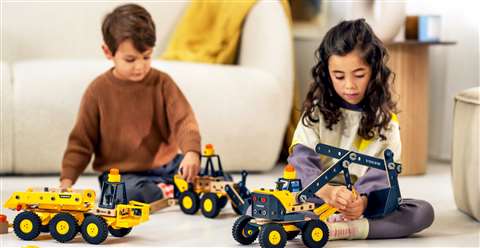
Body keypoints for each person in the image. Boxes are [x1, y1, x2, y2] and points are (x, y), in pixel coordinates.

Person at [288, 19, 434, 240]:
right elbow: (302, 160)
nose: (349, 85)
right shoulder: (316, 113)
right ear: (327, 74)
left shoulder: (386, 122)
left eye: (359, 75)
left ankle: (342, 229)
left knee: (422, 212)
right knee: (264, 207)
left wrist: (362, 202)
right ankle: (337, 226)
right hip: (315, 196)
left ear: (374, 72)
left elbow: (383, 174)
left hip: (358, 203)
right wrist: (327, 192)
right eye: (339, 76)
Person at [59, 3, 201, 204]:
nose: (140, 66)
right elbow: (81, 141)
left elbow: (184, 120)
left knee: (216, 178)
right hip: (121, 176)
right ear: (108, 52)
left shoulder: (163, 83)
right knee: (127, 195)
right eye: (130, 59)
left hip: (167, 166)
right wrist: (67, 181)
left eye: (147, 57)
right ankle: (175, 191)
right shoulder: (97, 91)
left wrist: (191, 153)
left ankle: (170, 189)